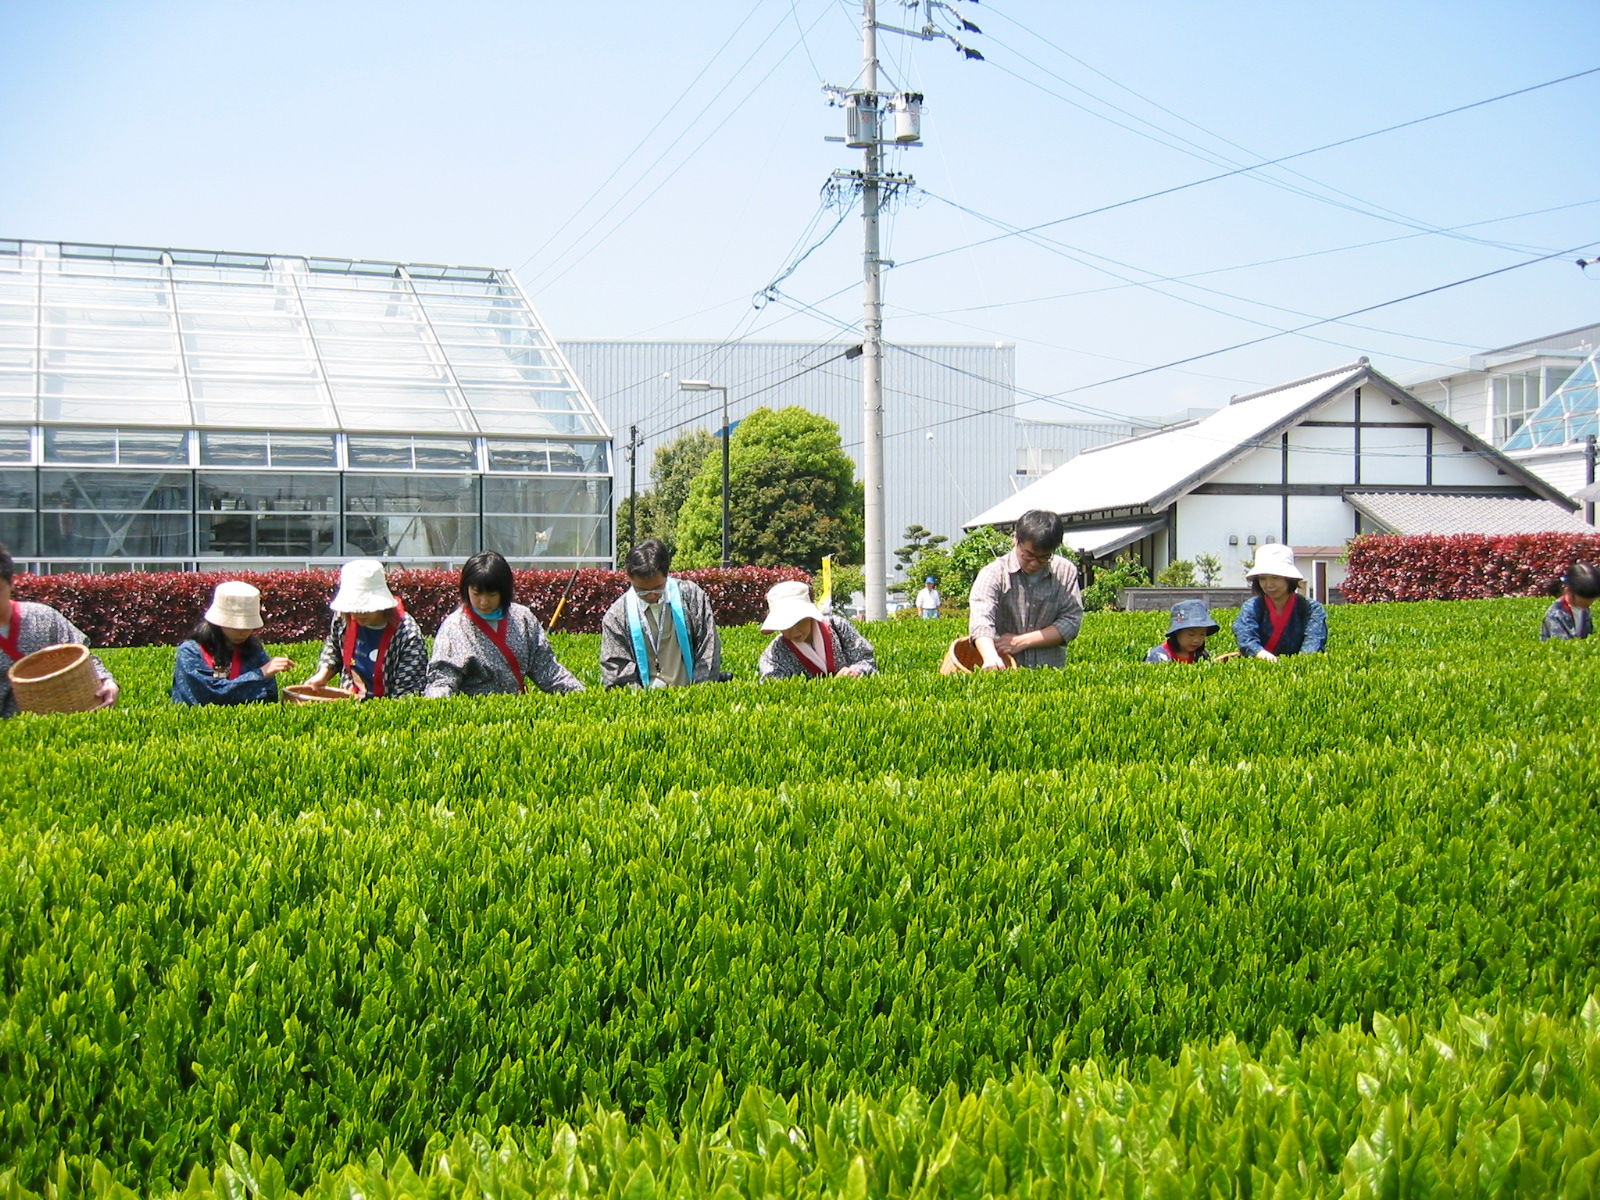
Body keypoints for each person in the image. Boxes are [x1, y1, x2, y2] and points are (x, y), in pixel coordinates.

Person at [424, 551, 583, 697]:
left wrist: (580, 693)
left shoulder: (522, 618)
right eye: (477, 593)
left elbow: (547, 669)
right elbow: (443, 679)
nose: (483, 602)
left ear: (504, 591)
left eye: (492, 594)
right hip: (475, 716)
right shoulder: (454, 627)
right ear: (466, 590)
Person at [0, 541, 118, 717]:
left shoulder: (44, 618)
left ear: (11, 584)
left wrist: (106, 680)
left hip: (60, 721)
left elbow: (84, 656)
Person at [967, 509, 1084, 669]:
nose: (1035, 563)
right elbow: (981, 620)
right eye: (1028, 555)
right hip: (1005, 669)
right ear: (1016, 539)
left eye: (1044, 557)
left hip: (1050, 671)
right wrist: (990, 656)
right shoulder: (994, 573)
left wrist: (1021, 641)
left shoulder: (1064, 571)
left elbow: (1071, 622)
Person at [600, 538, 724, 688]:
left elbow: (708, 648)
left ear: (667, 574)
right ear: (630, 579)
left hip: (690, 694)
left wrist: (700, 691)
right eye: (642, 591)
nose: (651, 595)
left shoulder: (692, 596)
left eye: (658, 588)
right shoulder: (617, 616)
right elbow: (616, 670)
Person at [301, 559, 427, 698]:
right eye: (355, 607)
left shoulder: (408, 634)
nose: (360, 613)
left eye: (366, 607)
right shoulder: (343, 618)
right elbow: (334, 646)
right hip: (349, 701)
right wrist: (323, 675)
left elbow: (408, 692)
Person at [171, 581, 293, 705]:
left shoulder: (254, 650)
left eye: (249, 626)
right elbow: (209, 695)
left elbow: (268, 696)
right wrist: (259, 674)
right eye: (238, 626)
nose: (244, 632)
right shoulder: (190, 652)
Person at [758, 579, 877, 680]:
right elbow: (773, 683)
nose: (794, 631)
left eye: (799, 621)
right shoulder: (774, 654)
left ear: (810, 616)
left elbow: (866, 660)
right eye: (785, 624)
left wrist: (855, 671)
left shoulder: (838, 626)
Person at [1232, 544, 1328, 660]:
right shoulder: (1252, 607)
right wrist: (1261, 654)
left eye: (1275, 577)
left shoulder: (1311, 608)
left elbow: (1314, 641)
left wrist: (1298, 664)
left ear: (1288, 578)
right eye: (1263, 578)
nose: (1268, 585)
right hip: (1260, 668)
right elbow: (1245, 636)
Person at [1145, 599, 1219, 663]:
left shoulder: (1202, 655)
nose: (1197, 640)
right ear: (1177, 632)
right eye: (1191, 634)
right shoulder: (1158, 656)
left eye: (1202, 634)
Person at [1540, 561, 1599, 640]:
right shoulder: (1556, 615)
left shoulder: (1584, 610)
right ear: (1568, 590)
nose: (1589, 604)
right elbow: (1562, 645)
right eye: (1584, 601)